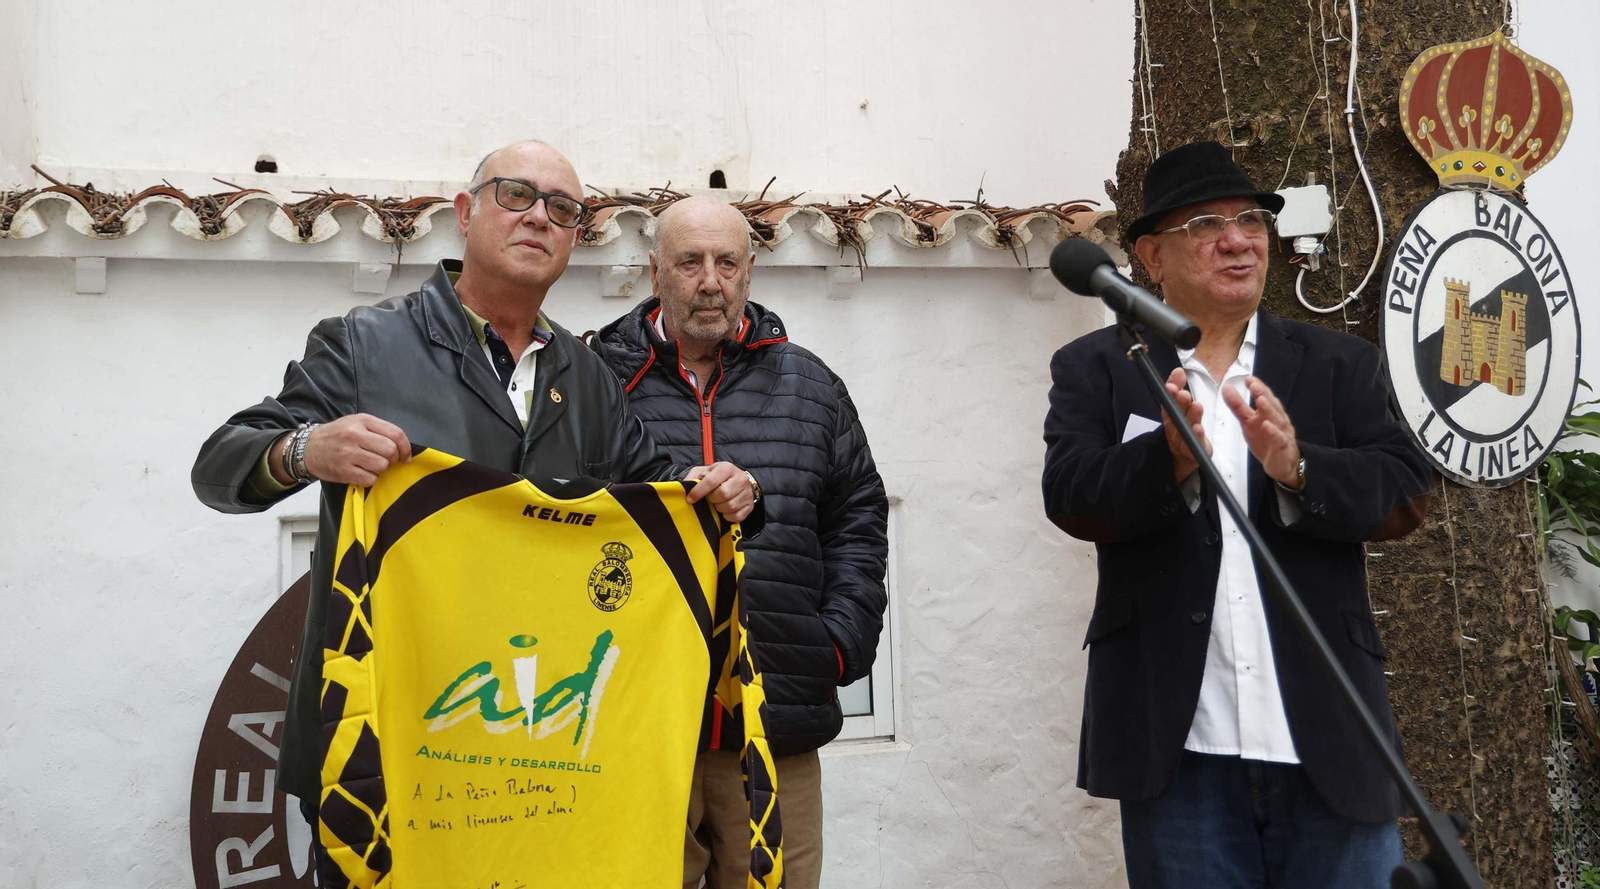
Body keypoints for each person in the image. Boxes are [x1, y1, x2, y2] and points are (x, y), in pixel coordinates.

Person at [191, 141, 760, 866]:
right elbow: (219, 463)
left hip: (537, 761)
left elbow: (665, 496)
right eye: (516, 195)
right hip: (383, 753)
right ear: (465, 213)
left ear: (573, 239)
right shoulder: (365, 345)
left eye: (563, 209)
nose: (539, 218)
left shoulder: (587, 377)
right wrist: (304, 449)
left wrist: (731, 492)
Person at [1040, 141, 1433, 888]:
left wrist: (1299, 467)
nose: (1238, 239)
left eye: (1252, 220)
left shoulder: (1338, 363)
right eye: (1206, 224)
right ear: (1151, 257)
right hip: (1179, 748)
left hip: (1328, 734)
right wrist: (1167, 458)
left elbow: (1406, 488)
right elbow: (1070, 493)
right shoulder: (1101, 367)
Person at [592, 196, 889, 889]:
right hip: (637, 727)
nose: (710, 281)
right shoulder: (594, 381)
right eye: (689, 262)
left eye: (727, 263)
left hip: (774, 721)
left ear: (750, 270)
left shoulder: (810, 385)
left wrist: (836, 644)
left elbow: (858, 517)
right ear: (654, 270)